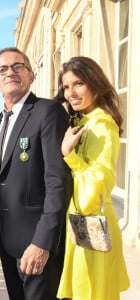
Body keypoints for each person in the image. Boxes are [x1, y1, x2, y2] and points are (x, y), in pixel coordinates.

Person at [0, 47, 72, 300]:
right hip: (6, 238)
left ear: (31, 75)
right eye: (2, 69)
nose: (9, 72)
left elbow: (58, 182)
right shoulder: (0, 120)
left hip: (36, 241)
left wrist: (43, 242)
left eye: (17, 66)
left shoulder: (48, 112)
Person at [55, 56, 130, 300]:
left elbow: (97, 187)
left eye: (78, 84)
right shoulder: (84, 121)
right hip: (81, 222)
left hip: (92, 223)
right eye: (66, 86)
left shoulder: (101, 125)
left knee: (91, 291)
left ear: (95, 84)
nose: (70, 93)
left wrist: (69, 155)